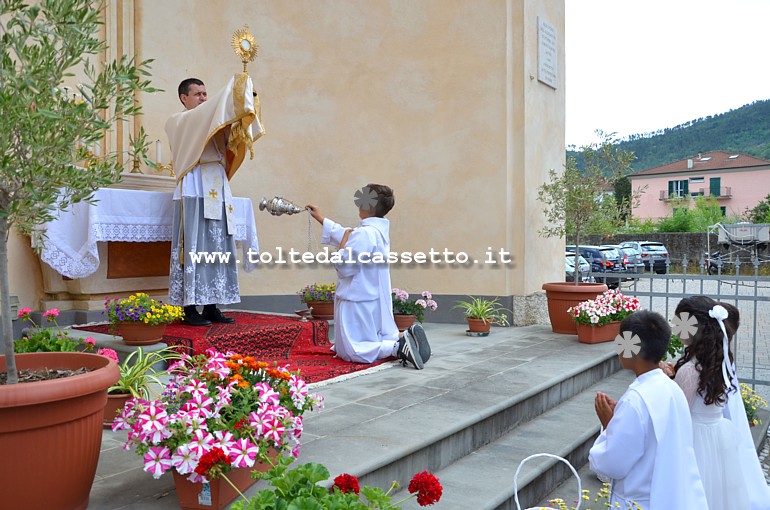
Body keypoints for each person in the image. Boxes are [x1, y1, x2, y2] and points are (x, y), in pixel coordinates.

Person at [165, 75, 263, 325]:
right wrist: (234, 86)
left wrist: (243, 104)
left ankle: (211, 305)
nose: (203, 98)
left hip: (217, 184)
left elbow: (234, 133)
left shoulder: (211, 120)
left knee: (217, 247)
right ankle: (189, 309)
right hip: (195, 186)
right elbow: (210, 114)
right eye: (197, 94)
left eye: (206, 94)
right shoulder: (178, 121)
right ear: (183, 98)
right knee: (194, 246)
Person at [588, 310, 708, 509]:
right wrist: (621, 419)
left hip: (639, 499)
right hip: (668, 493)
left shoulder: (635, 400)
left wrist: (609, 425)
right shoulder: (671, 388)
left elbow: (612, 464)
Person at [306, 184, 430, 369]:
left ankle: (398, 346)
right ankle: (405, 340)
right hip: (368, 297)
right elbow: (346, 234)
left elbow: (347, 266)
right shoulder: (375, 232)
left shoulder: (364, 234)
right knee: (352, 344)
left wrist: (341, 250)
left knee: (354, 351)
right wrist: (320, 218)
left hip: (355, 299)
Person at [667, 296, 770, 510]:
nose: (674, 325)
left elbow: (678, 413)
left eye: (678, 321)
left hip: (695, 438)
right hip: (718, 436)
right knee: (718, 494)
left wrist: (669, 381)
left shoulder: (689, 371)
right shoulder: (720, 363)